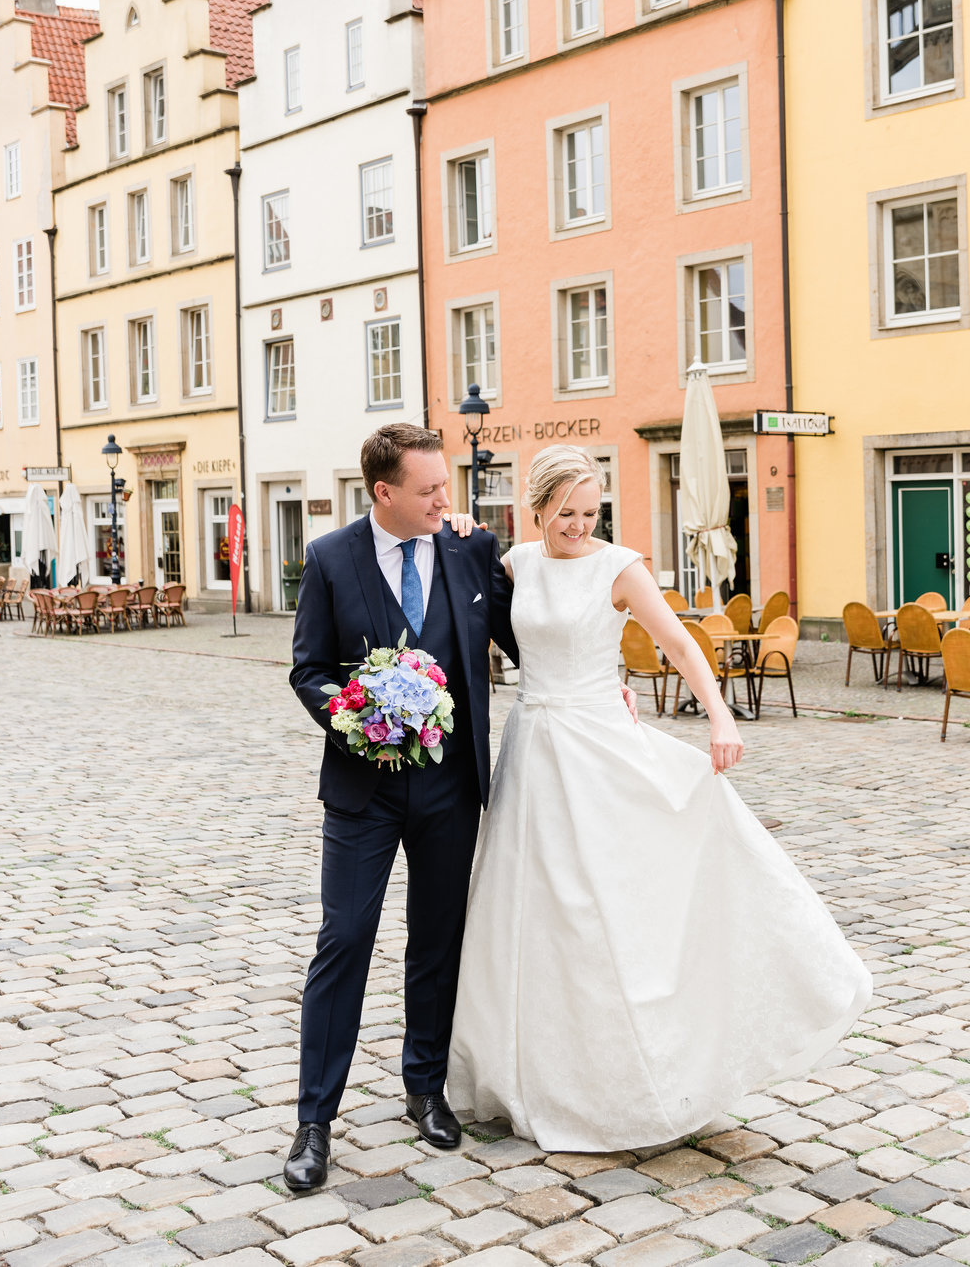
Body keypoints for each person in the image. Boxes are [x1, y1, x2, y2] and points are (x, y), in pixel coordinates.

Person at [447, 445, 872, 1152]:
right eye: (567, 512)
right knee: (529, 909)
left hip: (598, 748)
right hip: (533, 748)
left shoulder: (620, 567)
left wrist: (719, 713)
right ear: (539, 505)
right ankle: (529, 1070)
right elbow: (481, 606)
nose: (580, 524)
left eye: (591, 511)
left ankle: (639, 1072)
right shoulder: (515, 564)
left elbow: (677, 642)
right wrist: (458, 524)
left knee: (605, 905)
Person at [284, 425, 635, 1191]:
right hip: (362, 789)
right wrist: (352, 712)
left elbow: (531, 640)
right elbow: (307, 668)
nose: (448, 498)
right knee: (344, 938)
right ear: (385, 494)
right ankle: (315, 1122)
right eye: (430, 490)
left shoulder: (471, 551)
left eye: (446, 484)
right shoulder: (331, 559)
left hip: (451, 786)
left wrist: (603, 683)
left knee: (439, 939)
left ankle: (425, 1088)